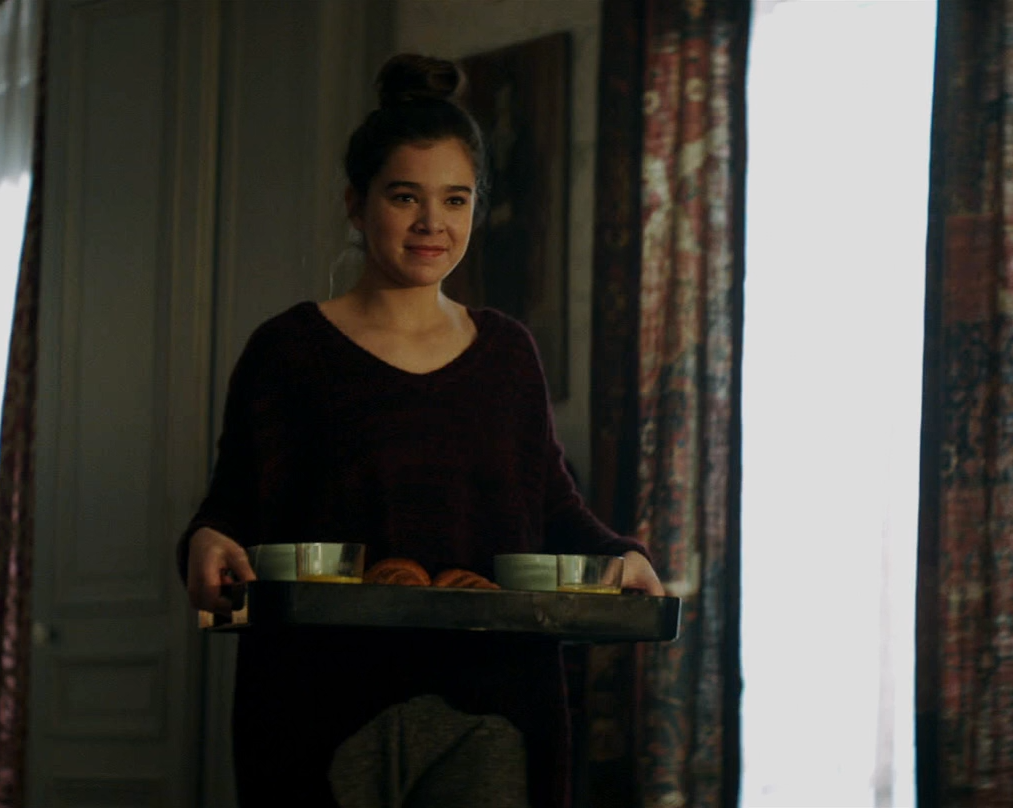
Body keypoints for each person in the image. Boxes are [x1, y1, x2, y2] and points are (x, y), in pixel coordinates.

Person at [176, 53, 664, 808]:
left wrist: (620, 557)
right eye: (405, 196)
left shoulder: (508, 354)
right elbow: (231, 508)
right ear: (356, 203)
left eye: (455, 199)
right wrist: (207, 543)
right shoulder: (287, 352)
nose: (432, 223)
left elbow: (552, 509)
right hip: (317, 706)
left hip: (496, 710)